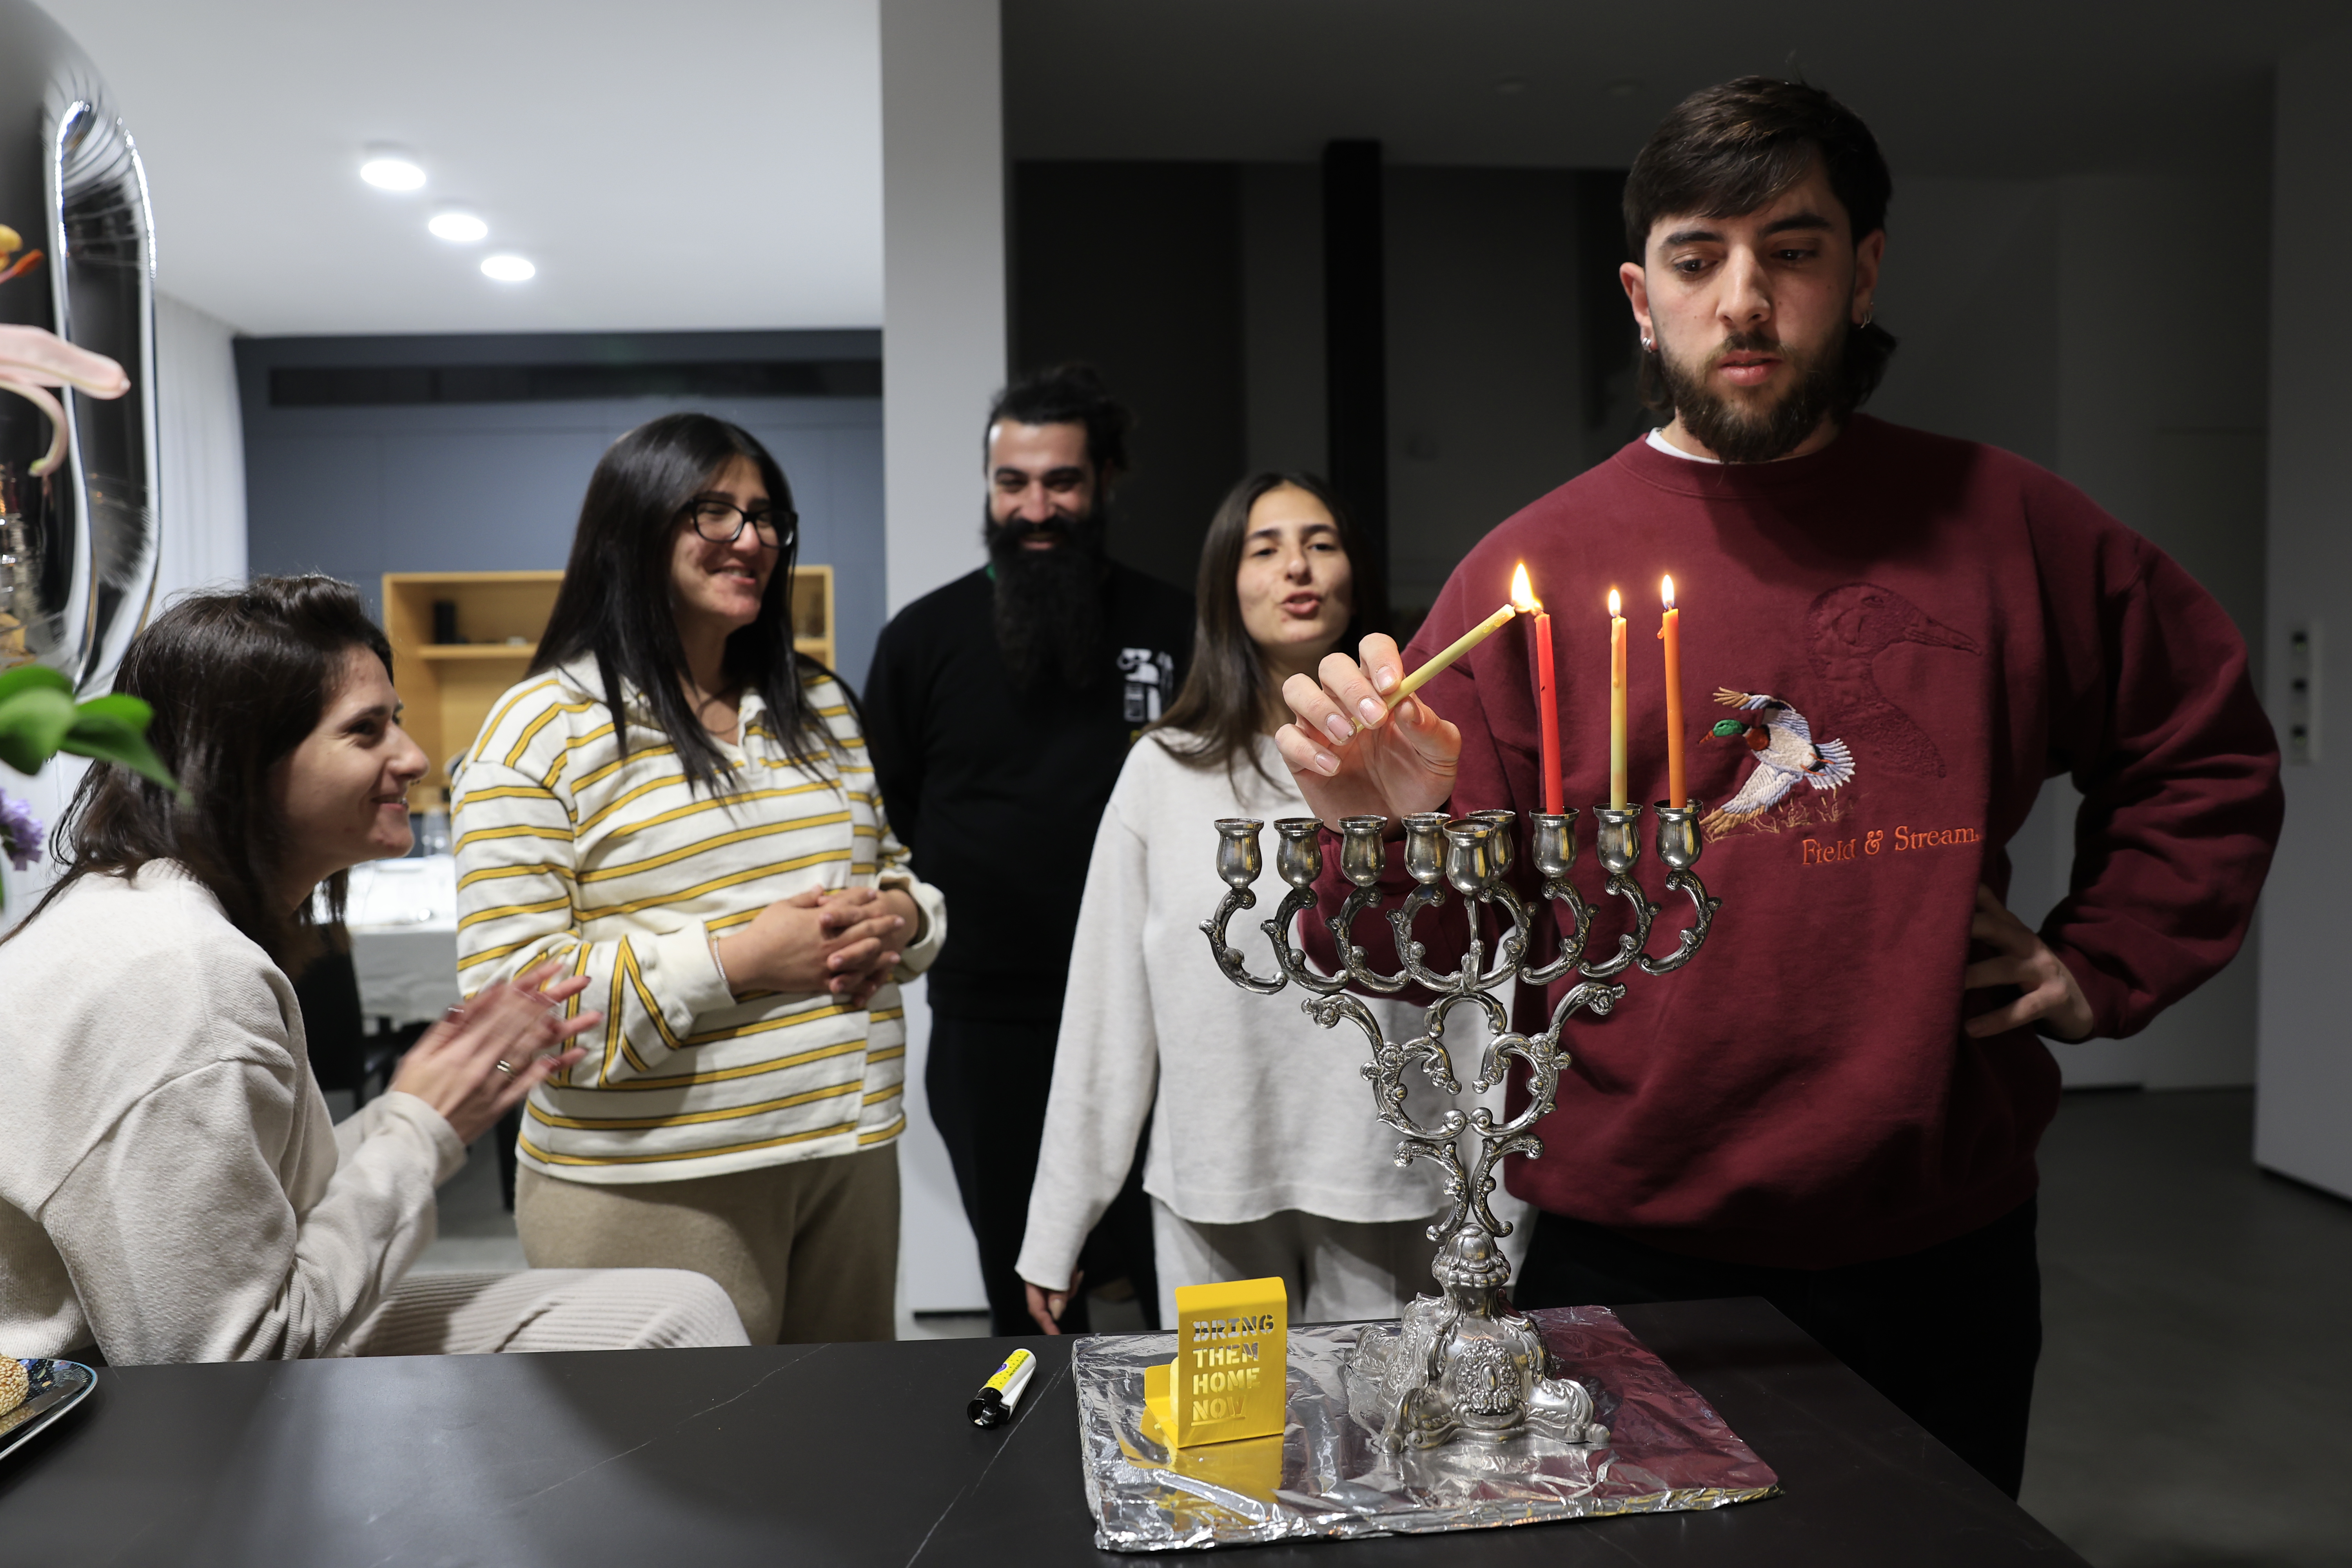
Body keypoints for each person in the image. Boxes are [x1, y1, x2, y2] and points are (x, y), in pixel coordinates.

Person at [1272, 77, 2281, 1499]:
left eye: (1792, 250)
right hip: (1630, 1241)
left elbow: (2204, 743)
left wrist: (2102, 962)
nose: (1744, 298)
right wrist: (1371, 836)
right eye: (1699, 258)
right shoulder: (1528, 578)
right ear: (1643, 294)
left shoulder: (2011, 528)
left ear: (1864, 271)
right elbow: (1416, 958)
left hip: (1940, 1235)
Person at [0, 576, 748, 1363]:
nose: (416, 757)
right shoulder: (179, 972)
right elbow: (227, 1363)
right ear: (241, 761)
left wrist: (425, 1105)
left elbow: (255, 1214)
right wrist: (420, 1128)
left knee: (682, 1306)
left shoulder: (140, 912)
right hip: (105, 1431)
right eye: (366, 731)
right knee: (682, 1322)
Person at [453, 413, 946, 1345]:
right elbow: (506, 1015)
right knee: (673, 1477)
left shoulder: (822, 706)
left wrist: (902, 919)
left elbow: (895, 877)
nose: (751, 539)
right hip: (651, 1180)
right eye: (713, 513)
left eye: (766, 517)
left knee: (841, 1458)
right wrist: (741, 957)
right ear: (632, 528)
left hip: (847, 1156)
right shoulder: (541, 728)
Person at [1015, 474, 1445, 1332]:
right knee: (1233, 1454)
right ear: (1224, 584)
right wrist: (1061, 1217)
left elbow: (1466, 981)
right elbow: (1107, 1005)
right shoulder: (1165, 769)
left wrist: (1495, 1211)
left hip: (1385, 1170)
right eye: (1266, 547)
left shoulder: (1422, 758)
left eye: (1321, 543)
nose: (1298, 565)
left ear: (1355, 574)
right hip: (1213, 1177)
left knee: (1383, 1453)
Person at [865, 365, 1193, 1335]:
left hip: (1161, 1011)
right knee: (1027, 1298)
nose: (1036, 507)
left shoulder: (1179, 627)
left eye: (1062, 482)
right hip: (991, 1019)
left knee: (1173, 1282)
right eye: (1013, 483)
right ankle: (1041, 1479)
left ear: (1104, 485)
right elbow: (892, 818)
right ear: (989, 487)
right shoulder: (921, 640)